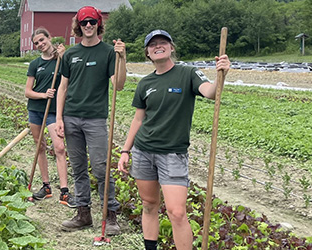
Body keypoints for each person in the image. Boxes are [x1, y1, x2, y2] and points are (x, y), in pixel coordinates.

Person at [117, 30, 230, 250]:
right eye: (153, 45)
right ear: (148, 53)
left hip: (173, 154)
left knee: (177, 212)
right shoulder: (145, 83)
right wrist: (125, 151)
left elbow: (210, 93)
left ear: (171, 48)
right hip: (143, 151)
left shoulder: (188, 73)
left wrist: (221, 75)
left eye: (163, 43)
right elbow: (138, 119)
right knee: (149, 205)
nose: (158, 46)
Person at [54, 6, 126, 233]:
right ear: (78, 25)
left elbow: (119, 85)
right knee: (78, 168)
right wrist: (58, 118)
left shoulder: (108, 52)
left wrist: (122, 58)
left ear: (98, 24)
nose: (88, 25)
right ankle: (83, 214)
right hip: (71, 117)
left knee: (101, 167)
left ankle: (110, 214)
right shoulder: (71, 54)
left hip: (95, 119)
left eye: (92, 22)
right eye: (84, 22)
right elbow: (62, 88)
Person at [24, 28, 72, 206]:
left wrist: (63, 56)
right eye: (37, 43)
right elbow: (28, 92)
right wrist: (44, 94)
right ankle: (46, 187)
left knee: (59, 147)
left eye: (42, 40)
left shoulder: (61, 59)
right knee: (40, 147)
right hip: (36, 110)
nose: (40, 44)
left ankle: (65, 191)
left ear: (50, 38)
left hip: (54, 111)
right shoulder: (35, 64)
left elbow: (68, 82)